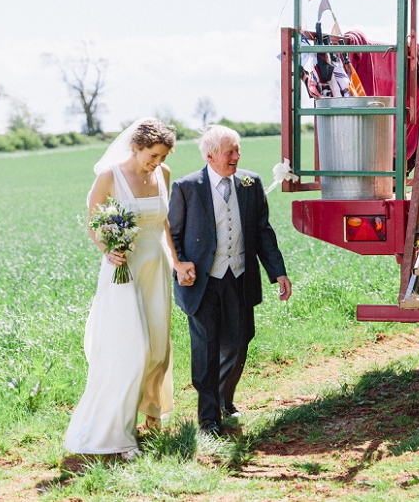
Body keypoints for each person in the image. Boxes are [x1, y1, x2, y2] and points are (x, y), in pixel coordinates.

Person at [65, 118, 186, 461]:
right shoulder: (109, 177)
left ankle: (153, 415)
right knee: (133, 348)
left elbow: (163, 223)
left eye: (162, 156)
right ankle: (118, 429)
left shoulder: (163, 175)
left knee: (159, 346)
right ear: (136, 147)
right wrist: (107, 250)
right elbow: (93, 220)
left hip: (156, 266)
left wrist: (176, 263)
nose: (156, 162)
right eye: (152, 155)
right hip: (124, 270)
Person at [168, 125, 292, 436]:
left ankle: (225, 400)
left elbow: (263, 231)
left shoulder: (250, 183)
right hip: (202, 282)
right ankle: (208, 419)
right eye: (229, 152)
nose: (236, 156)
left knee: (238, 343)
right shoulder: (187, 187)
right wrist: (180, 264)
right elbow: (173, 234)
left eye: (237, 150)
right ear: (210, 156)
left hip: (238, 277)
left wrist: (277, 271)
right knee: (206, 350)